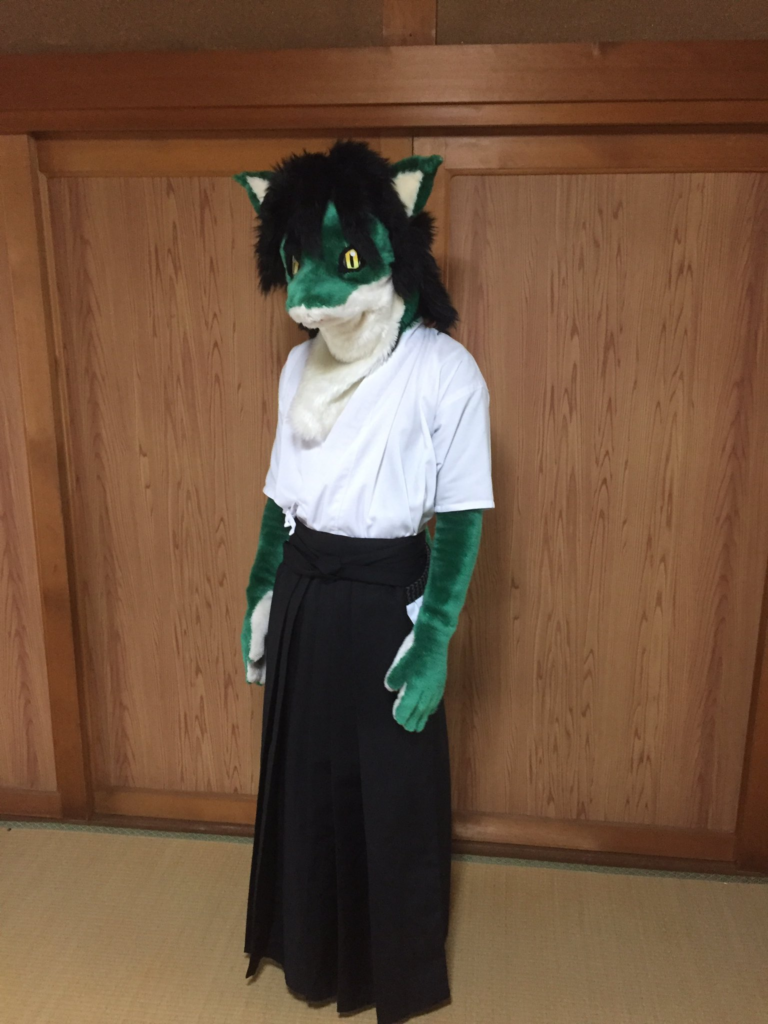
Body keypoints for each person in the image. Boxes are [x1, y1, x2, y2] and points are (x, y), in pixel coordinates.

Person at [235, 140, 494, 1024]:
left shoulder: (444, 371)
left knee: (390, 793)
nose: (309, 292)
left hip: (390, 604)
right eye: (297, 264)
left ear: (390, 248)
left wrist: (432, 643)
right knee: (305, 782)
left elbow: (461, 515)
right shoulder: (297, 367)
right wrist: (261, 594)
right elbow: (281, 497)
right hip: (307, 592)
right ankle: (308, 947)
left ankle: (392, 968)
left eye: (337, 262)